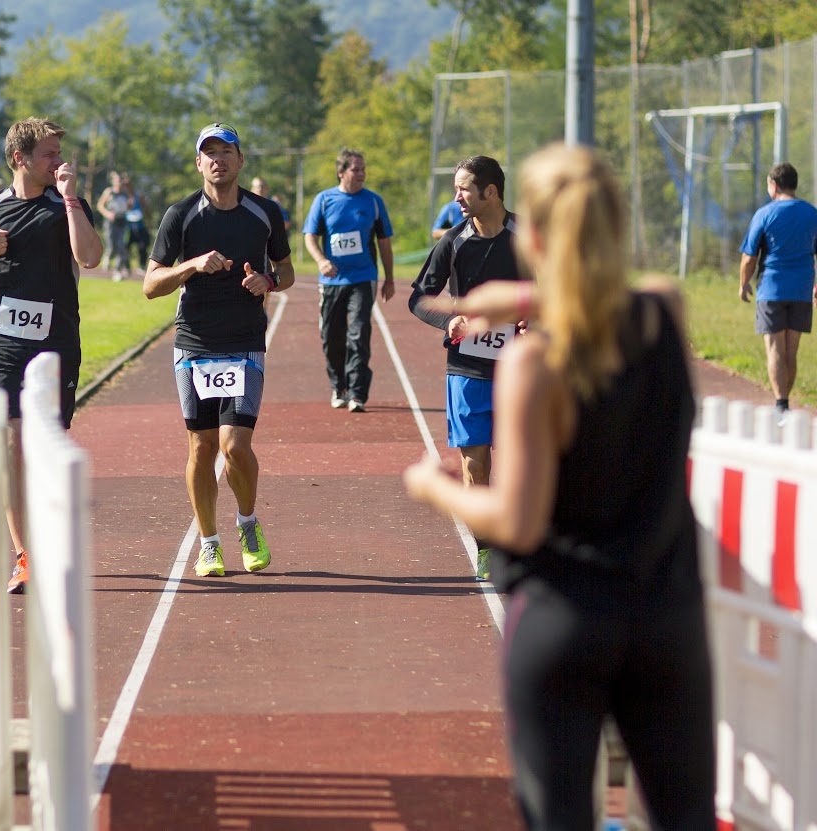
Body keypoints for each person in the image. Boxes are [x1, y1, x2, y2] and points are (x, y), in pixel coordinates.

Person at [403, 143, 715, 831]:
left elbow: (515, 519)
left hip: (563, 619)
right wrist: (525, 293)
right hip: (666, 617)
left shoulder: (534, 362)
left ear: (532, 235)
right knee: (684, 815)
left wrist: (435, 486)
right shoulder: (664, 312)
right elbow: (608, 296)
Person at [0, 117, 103, 594]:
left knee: (46, 444)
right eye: (50, 155)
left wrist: (72, 199)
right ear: (20, 159)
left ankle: (49, 535)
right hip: (3, 341)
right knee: (12, 441)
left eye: (60, 154)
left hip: (57, 342)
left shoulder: (66, 205)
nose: (60, 162)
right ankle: (24, 554)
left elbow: (91, 257)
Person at [143, 122, 294, 578]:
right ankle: (209, 544)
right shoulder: (181, 215)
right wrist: (190, 265)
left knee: (235, 446)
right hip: (194, 344)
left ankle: (247, 523)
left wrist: (265, 281)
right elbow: (151, 284)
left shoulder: (264, 213)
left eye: (226, 151)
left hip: (244, 341)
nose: (218, 160)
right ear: (198, 163)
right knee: (202, 447)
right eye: (209, 153)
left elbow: (286, 273)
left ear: (240, 160)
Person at [407, 154, 522, 580]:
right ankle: (487, 547)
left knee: (517, 461)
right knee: (476, 463)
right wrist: (448, 319)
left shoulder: (527, 238)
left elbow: (558, 288)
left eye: (463, 189)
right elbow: (419, 296)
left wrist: (536, 319)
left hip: (519, 371)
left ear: (490, 192)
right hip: (467, 369)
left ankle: (517, 541)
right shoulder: (452, 242)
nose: (456, 196)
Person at [303, 149, 396, 413]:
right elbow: (310, 237)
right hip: (332, 281)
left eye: (363, 169)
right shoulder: (324, 200)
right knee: (331, 337)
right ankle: (339, 386)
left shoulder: (373, 202)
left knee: (358, 333)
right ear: (341, 172)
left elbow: (385, 242)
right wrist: (321, 260)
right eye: (356, 169)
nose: (361, 174)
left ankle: (357, 392)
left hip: (363, 277)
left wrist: (389, 278)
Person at [738, 161, 817, 421]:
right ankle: (785, 404)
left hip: (771, 288)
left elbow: (749, 257)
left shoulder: (764, 214)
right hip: (801, 289)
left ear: (773, 184)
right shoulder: (811, 213)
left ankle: (781, 404)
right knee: (790, 351)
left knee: (775, 350)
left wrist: (743, 284)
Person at [97, 170, 131, 281]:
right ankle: (107, 257)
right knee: (111, 245)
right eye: (117, 180)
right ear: (113, 181)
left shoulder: (126, 193)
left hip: (121, 221)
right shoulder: (109, 192)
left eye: (120, 180)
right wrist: (108, 214)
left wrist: (128, 206)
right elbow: (100, 205)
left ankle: (117, 270)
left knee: (121, 245)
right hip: (110, 222)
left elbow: (129, 206)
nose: (119, 182)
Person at [120, 174, 149, 280]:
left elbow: (145, 208)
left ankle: (142, 266)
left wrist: (147, 222)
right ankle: (126, 267)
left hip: (140, 225)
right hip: (128, 227)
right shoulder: (123, 197)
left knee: (142, 246)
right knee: (125, 247)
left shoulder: (138, 196)